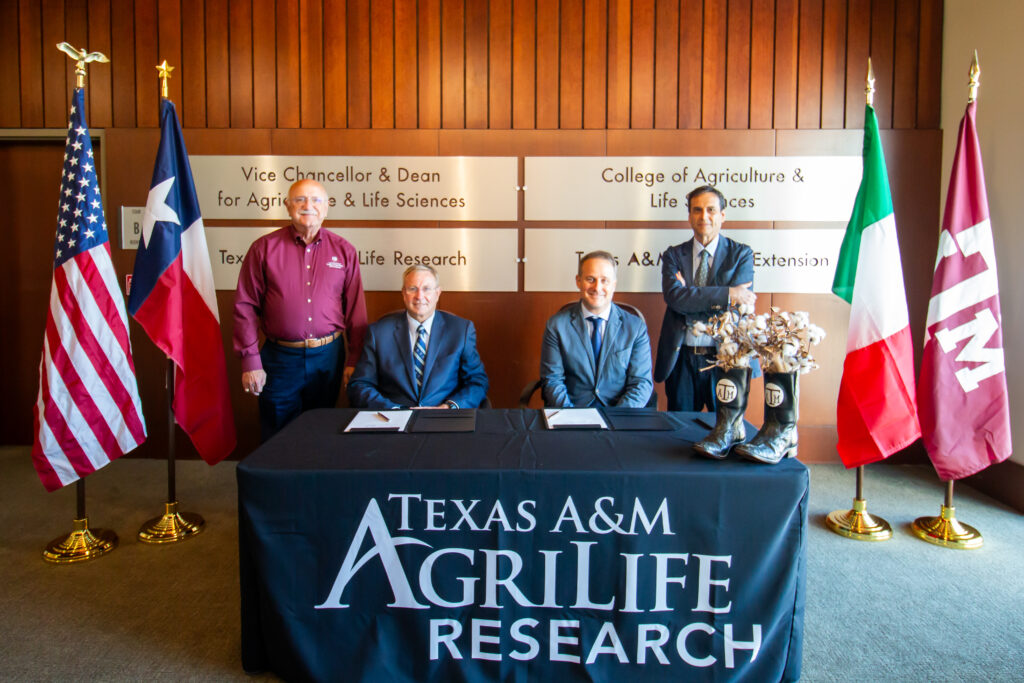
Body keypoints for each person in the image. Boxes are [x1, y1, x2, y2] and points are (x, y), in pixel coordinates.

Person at [233, 178, 368, 440]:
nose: (308, 206)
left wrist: (355, 359)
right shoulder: (263, 249)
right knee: (277, 432)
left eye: (316, 200)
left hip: (328, 357)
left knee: (320, 431)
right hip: (279, 358)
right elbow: (245, 306)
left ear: (327, 207)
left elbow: (356, 311)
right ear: (287, 206)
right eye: (300, 200)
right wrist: (250, 360)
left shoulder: (344, 251)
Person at [654, 185, 757, 411]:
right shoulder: (673, 255)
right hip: (682, 360)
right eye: (697, 210)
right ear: (689, 216)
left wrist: (689, 294)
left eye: (711, 210)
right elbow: (675, 299)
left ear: (722, 215)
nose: (704, 216)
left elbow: (738, 308)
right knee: (679, 432)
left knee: (724, 432)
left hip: (724, 359)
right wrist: (728, 293)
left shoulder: (741, 254)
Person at [348, 264, 488, 409]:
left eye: (426, 289)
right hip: (393, 420)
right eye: (412, 289)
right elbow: (360, 384)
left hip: (443, 418)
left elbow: (477, 381)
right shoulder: (378, 333)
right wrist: (394, 410)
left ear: (438, 293)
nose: (419, 296)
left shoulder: (461, 331)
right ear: (403, 293)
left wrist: (449, 408)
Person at [540, 251, 653, 408]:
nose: (597, 287)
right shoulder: (557, 325)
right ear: (578, 281)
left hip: (619, 415)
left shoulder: (635, 327)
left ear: (614, 284)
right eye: (590, 279)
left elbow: (641, 383)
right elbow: (553, 380)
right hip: (572, 412)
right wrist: (572, 418)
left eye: (604, 280)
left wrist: (618, 418)